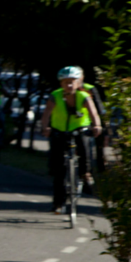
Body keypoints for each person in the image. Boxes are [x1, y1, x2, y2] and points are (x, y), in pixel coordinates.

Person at [40, 66, 103, 214]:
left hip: (79, 129)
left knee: (84, 146)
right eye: (65, 82)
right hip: (59, 130)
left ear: (78, 82)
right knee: (59, 171)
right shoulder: (55, 96)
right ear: (61, 83)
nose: (69, 85)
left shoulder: (84, 96)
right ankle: (58, 204)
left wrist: (97, 125)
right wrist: (45, 127)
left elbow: (93, 113)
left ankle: (86, 173)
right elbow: (46, 113)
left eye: (72, 82)